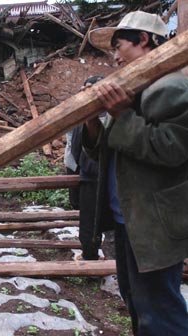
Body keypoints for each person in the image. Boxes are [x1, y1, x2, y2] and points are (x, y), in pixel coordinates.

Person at [86, 11, 188, 335]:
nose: (114, 56)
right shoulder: (135, 88)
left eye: (119, 46)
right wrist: (93, 124)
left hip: (154, 222)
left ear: (143, 40)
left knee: (159, 310)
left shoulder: (172, 86)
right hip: (128, 218)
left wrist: (123, 115)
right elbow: (111, 150)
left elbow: (171, 148)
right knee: (135, 299)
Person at [69, 75, 109, 261]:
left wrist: (78, 168)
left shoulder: (86, 119)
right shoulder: (113, 114)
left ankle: (90, 256)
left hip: (91, 175)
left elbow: (76, 147)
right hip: (105, 175)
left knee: (90, 220)